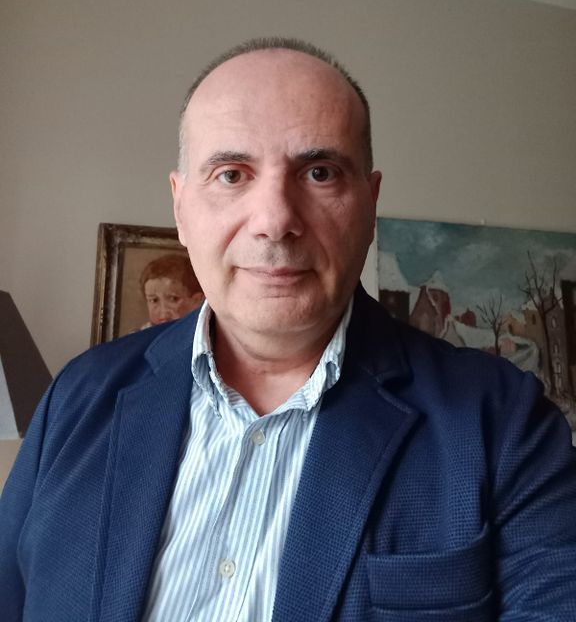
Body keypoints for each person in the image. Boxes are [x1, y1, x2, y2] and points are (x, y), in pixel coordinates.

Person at [1, 37, 575, 621]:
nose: (275, 220)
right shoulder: (76, 396)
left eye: (320, 172)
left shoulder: (505, 422)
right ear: (180, 207)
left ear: (369, 203)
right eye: (231, 174)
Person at [139, 253, 204, 328]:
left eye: (173, 299)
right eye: (154, 300)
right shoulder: (143, 334)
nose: (163, 312)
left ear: (196, 300)